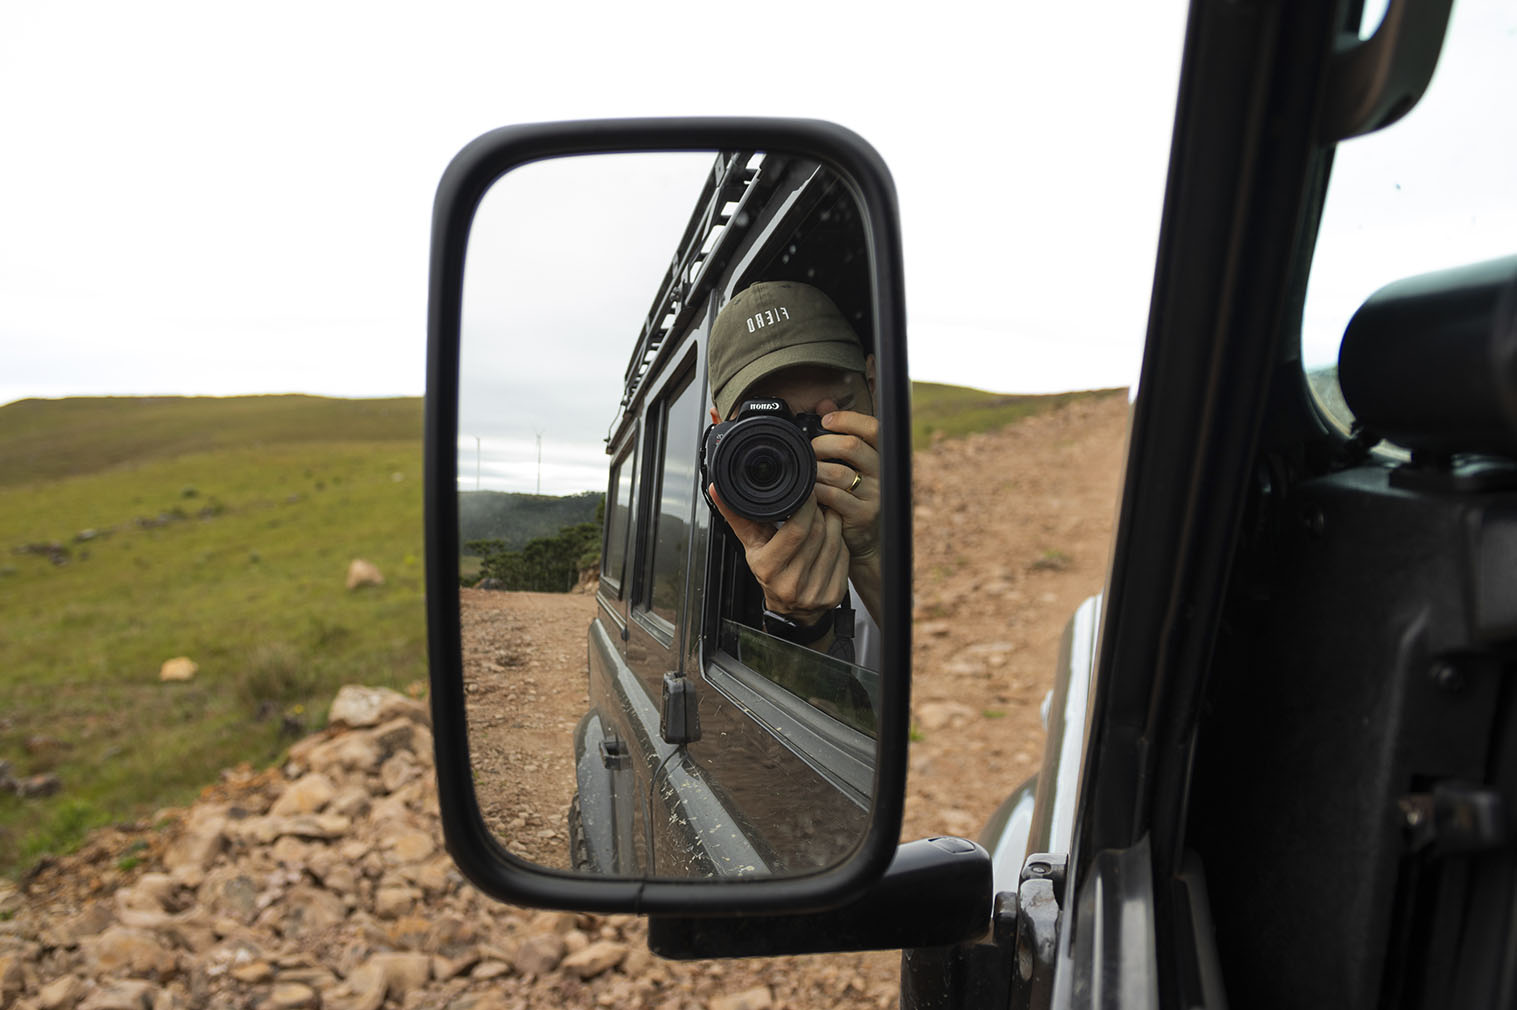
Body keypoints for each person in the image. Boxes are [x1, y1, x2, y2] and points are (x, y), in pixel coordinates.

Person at [706, 279, 882, 670]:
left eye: (824, 421)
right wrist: (796, 623)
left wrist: (873, 554)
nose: (800, 452)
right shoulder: (726, 557)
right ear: (721, 431)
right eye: (773, 426)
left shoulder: (944, 496)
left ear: (874, 382)